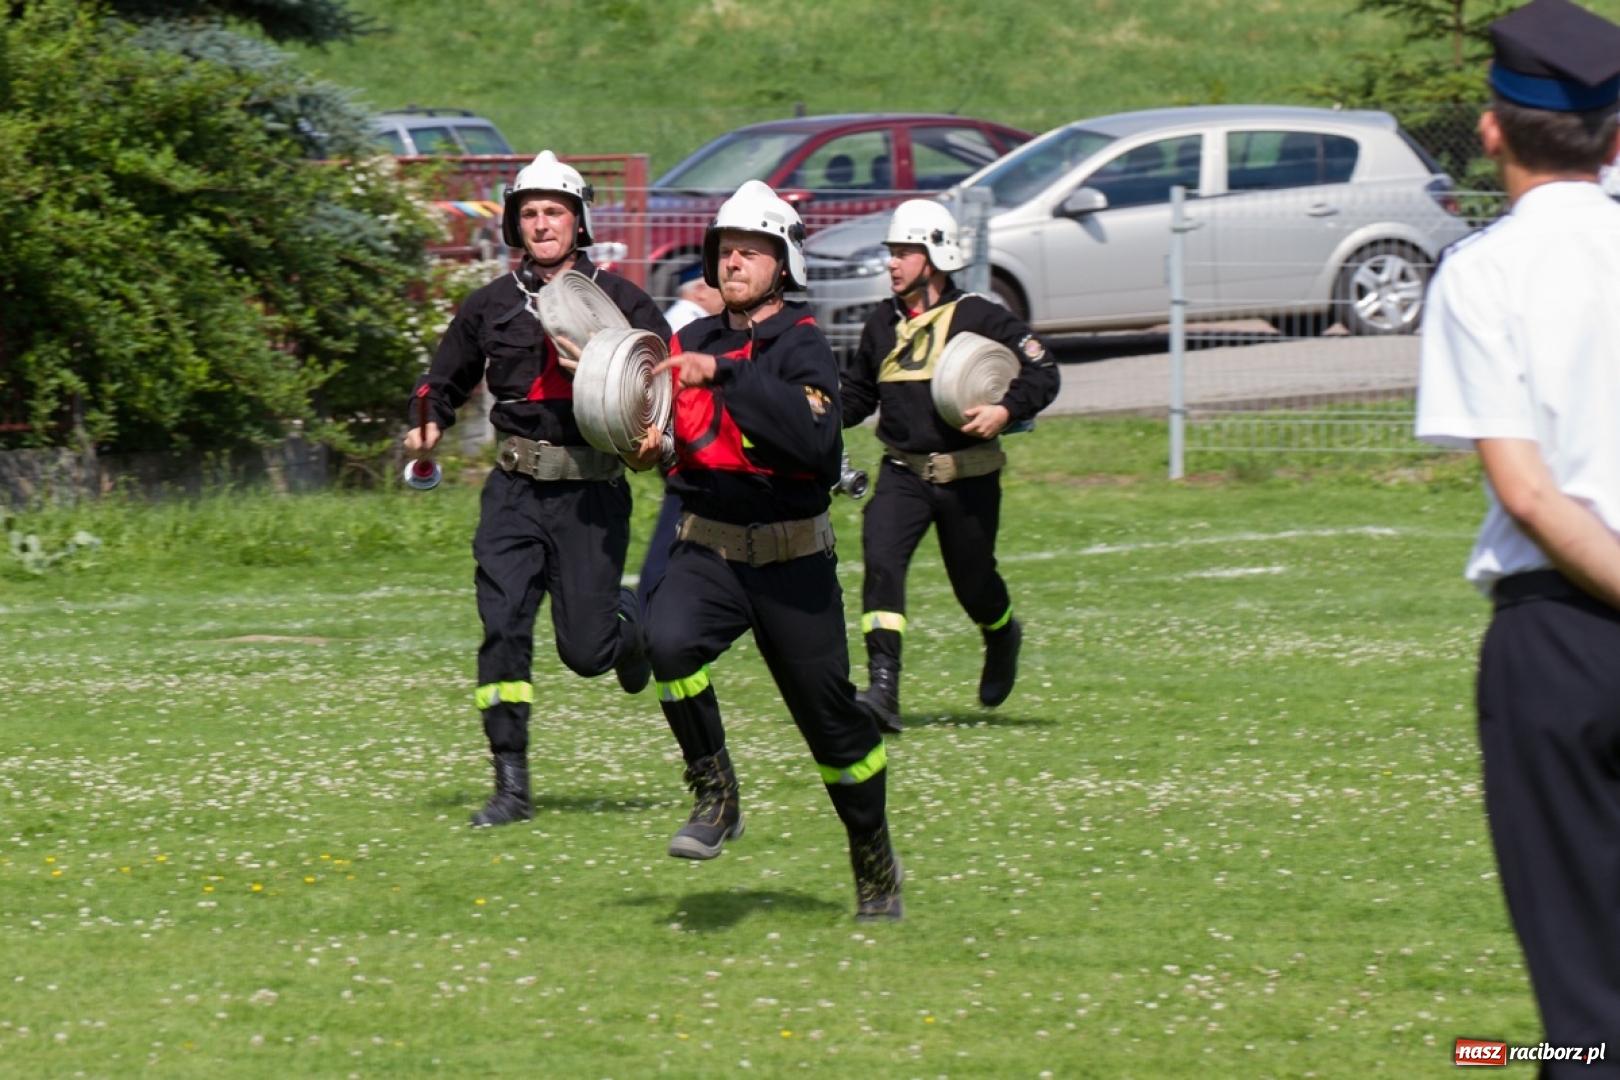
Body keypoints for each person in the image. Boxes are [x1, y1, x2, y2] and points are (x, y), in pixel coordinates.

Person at [1415, 1, 1620, 1073]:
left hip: (1560, 644)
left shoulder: (1484, 273)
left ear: (1491, 129)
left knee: (1587, 1013)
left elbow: (1533, 496)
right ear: (1618, 135)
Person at [632, 179, 903, 921]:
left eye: (751, 251)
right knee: (667, 642)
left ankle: (873, 856)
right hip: (710, 547)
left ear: (783, 263)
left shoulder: (803, 344)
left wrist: (725, 374)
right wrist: (648, 449)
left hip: (792, 561)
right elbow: (678, 443)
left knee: (835, 730)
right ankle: (716, 796)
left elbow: (816, 440)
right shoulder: (692, 340)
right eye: (725, 250)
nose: (734, 262)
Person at [405, 150, 672, 828]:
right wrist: (428, 422)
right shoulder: (489, 304)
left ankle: (629, 625)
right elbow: (445, 380)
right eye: (530, 214)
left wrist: (655, 435)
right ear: (514, 226)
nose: (542, 224)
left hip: (591, 496)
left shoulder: (626, 302)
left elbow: (667, 386)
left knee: (584, 653)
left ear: (578, 222)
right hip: (514, 492)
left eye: (555, 212)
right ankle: (511, 785)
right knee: (502, 628)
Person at [839, 199, 1059, 734]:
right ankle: (884, 690)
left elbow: (1044, 370)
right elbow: (856, 398)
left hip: (969, 477)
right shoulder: (880, 324)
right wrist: (806, 409)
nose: (892, 263)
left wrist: (1006, 409)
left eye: (904, 253)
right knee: (882, 562)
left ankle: (1002, 633)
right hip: (901, 473)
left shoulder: (981, 316)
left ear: (934, 256)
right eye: (891, 253)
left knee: (974, 584)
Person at [635, 263, 728, 613]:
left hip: (677, 444)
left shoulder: (677, 320)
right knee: (682, 532)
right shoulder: (688, 326)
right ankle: (648, 615)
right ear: (700, 290)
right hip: (687, 447)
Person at [662, 262, 724, 334]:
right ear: (700, 291)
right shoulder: (690, 324)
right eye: (721, 288)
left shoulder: (679, 316)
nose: (726, 295)